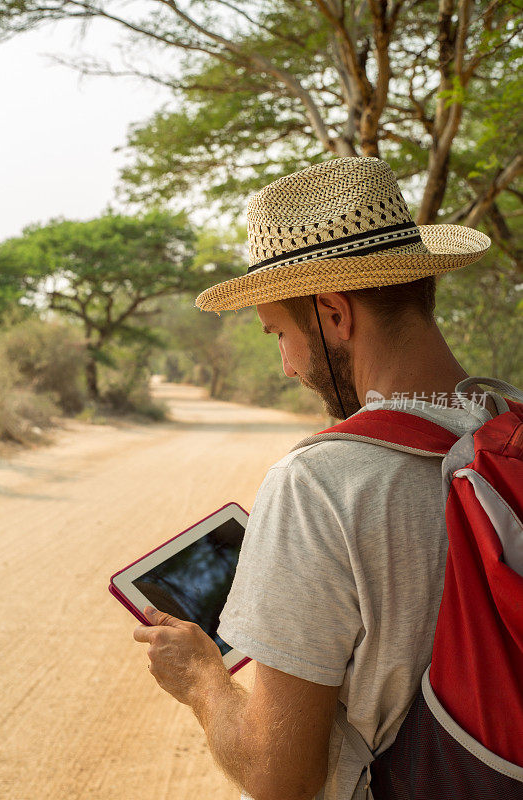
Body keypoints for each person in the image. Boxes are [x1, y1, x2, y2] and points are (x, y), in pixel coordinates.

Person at [133, 157, 504, 800]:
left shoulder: (319, 483)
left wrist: (201, 680)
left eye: (280, 332)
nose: (284, 365)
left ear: (335, 313)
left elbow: (281, 776)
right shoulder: (511, 430)